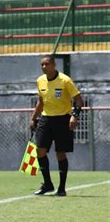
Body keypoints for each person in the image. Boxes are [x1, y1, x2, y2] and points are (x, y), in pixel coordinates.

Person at [29, 55, 83, 197]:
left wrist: (74, 116)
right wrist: (33, 118)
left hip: (62, 119)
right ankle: (48, 184)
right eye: (42, 65)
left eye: (47, 64)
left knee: (60, 153)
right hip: (46, 119)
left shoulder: (65, 80)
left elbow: (79, 101)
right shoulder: (40, 81)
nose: (44, 67)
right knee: (39, 150)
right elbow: (41, 102)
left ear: (54, 65)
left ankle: (61, 188)